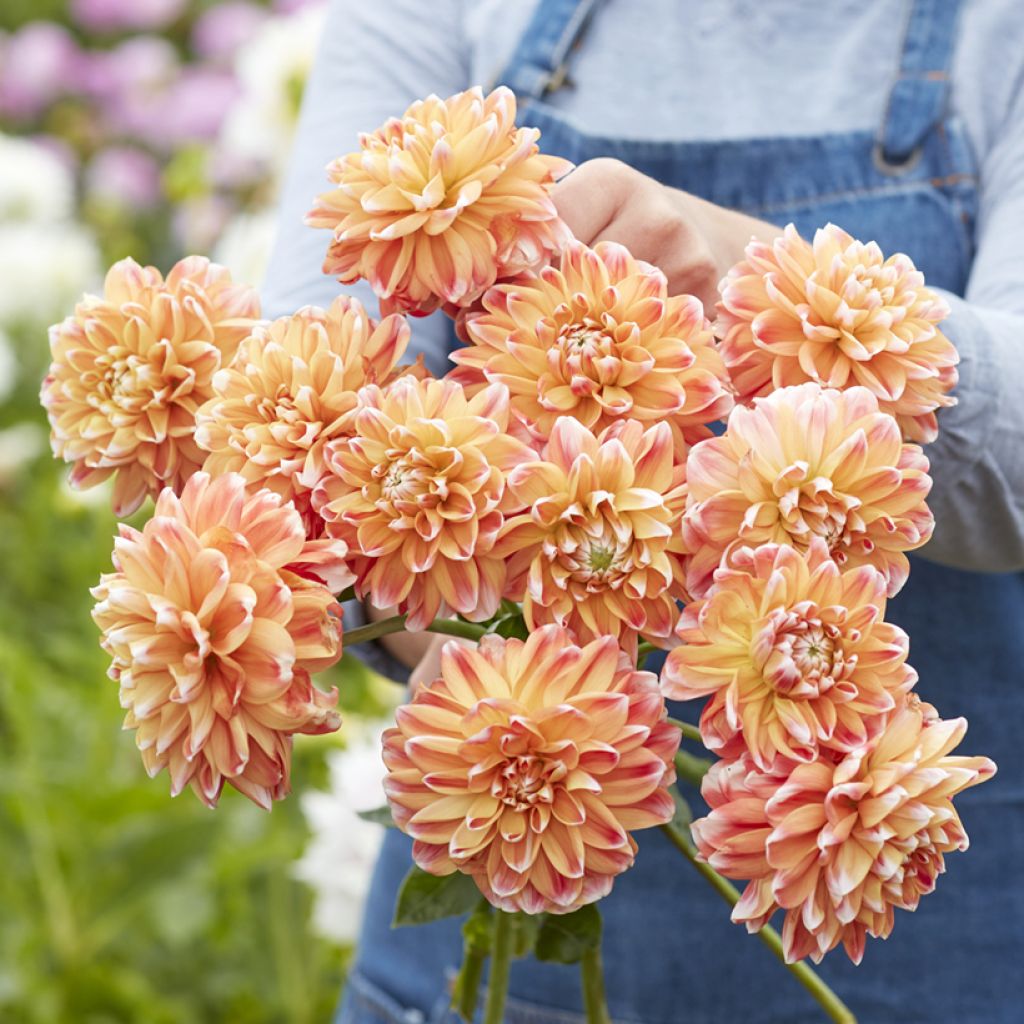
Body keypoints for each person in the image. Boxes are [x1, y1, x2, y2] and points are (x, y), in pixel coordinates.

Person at [264, 1, 1024, 1020]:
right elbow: (300, 447)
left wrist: (754, 273)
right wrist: (492, 683)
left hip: (922, 950)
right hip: (490, 878)